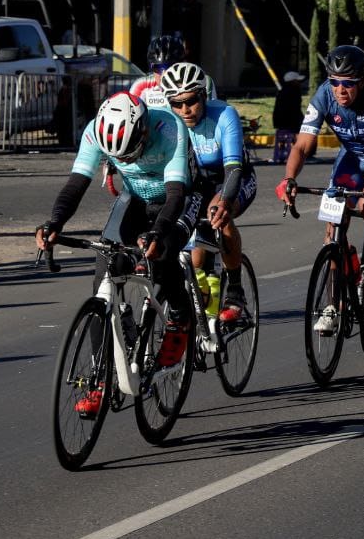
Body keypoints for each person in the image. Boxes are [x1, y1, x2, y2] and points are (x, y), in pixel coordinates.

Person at [36, 92, 196, 414]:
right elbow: (76, 184)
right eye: (117, 158)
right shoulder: (95, 130)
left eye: (129, 154)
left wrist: (159, 232)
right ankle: (101, 376)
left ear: (144, 131)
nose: (124, 162)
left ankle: (180, 318)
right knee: (103, 270)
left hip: (178, 198)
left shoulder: (171, 129)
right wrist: (54, 223)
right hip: (134, 198)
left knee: (161, 251)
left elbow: (177, 194)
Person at [278, 45, 364, 331]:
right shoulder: (323, 94)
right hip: (351, 159)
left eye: (347, 83)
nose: (340, 89)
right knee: (333, 223)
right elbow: (303, 145)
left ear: (361, 81)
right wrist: (289, 178)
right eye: (335, 81)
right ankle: (333, 305)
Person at [159, 62, 257, 322]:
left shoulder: (224, 114)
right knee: (194, 255)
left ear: (203, 96)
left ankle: (235, 290)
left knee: (219, 215)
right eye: (176, 104)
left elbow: (234, 170)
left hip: (233, 177)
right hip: (197, 183)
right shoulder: (168, 121)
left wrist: (225, 201)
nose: (184, 110)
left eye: (190, 101)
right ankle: (202, 309)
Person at [131, 34, 186, 109]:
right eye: (157, 67)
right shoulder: (142, 86)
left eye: (170, 67)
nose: (164, 73)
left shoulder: (200, 82)